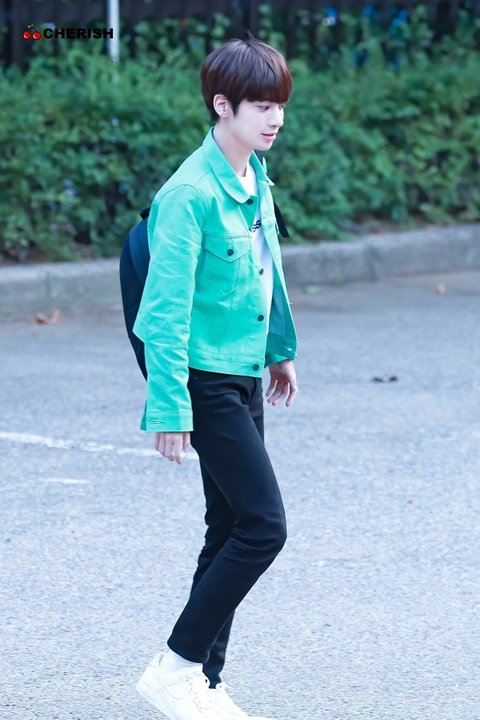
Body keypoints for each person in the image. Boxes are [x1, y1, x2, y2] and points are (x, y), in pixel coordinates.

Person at [134, 34, 299, 720]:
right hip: (203, 380)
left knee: (228, 522)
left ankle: (201, 680)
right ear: (222, 105)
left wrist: (279, 349)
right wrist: (169, 406)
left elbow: (267, 271)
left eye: (280, 105)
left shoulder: (253, 176)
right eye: (261, 106)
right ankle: (175, 666)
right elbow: (164, 312)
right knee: (263, 526)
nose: (275, 118)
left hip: (242, 370)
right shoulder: (189, 194)